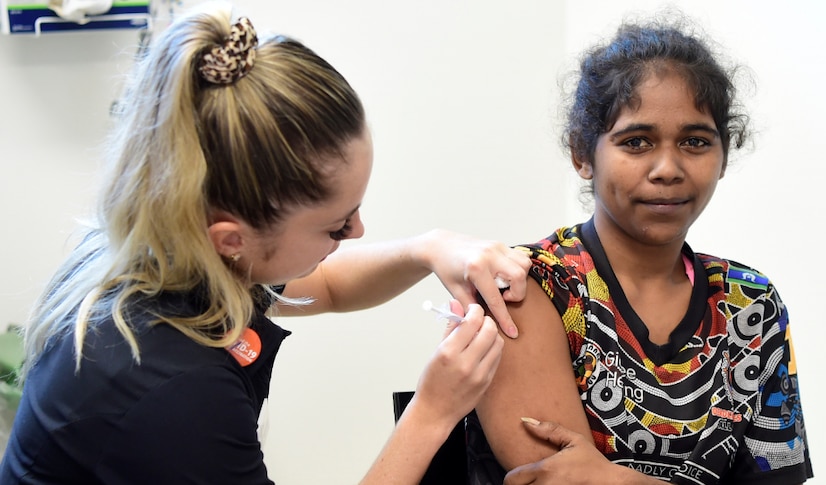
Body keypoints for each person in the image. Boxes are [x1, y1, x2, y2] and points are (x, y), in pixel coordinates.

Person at [0, 4, 531, 484]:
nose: (358, 234)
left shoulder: (172, 251)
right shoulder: (171, 388)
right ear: (230, 239)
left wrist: (429, 249)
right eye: (337, 226)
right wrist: (434, 412)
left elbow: (327, 285)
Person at [466, 17, 814, 485]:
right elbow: (551, 480)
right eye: (636, 142)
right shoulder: (527, 285)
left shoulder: (751, 302)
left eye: (695, 141)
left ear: (724, 156)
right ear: (582, 154)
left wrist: (621, 480)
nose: (667, 168)